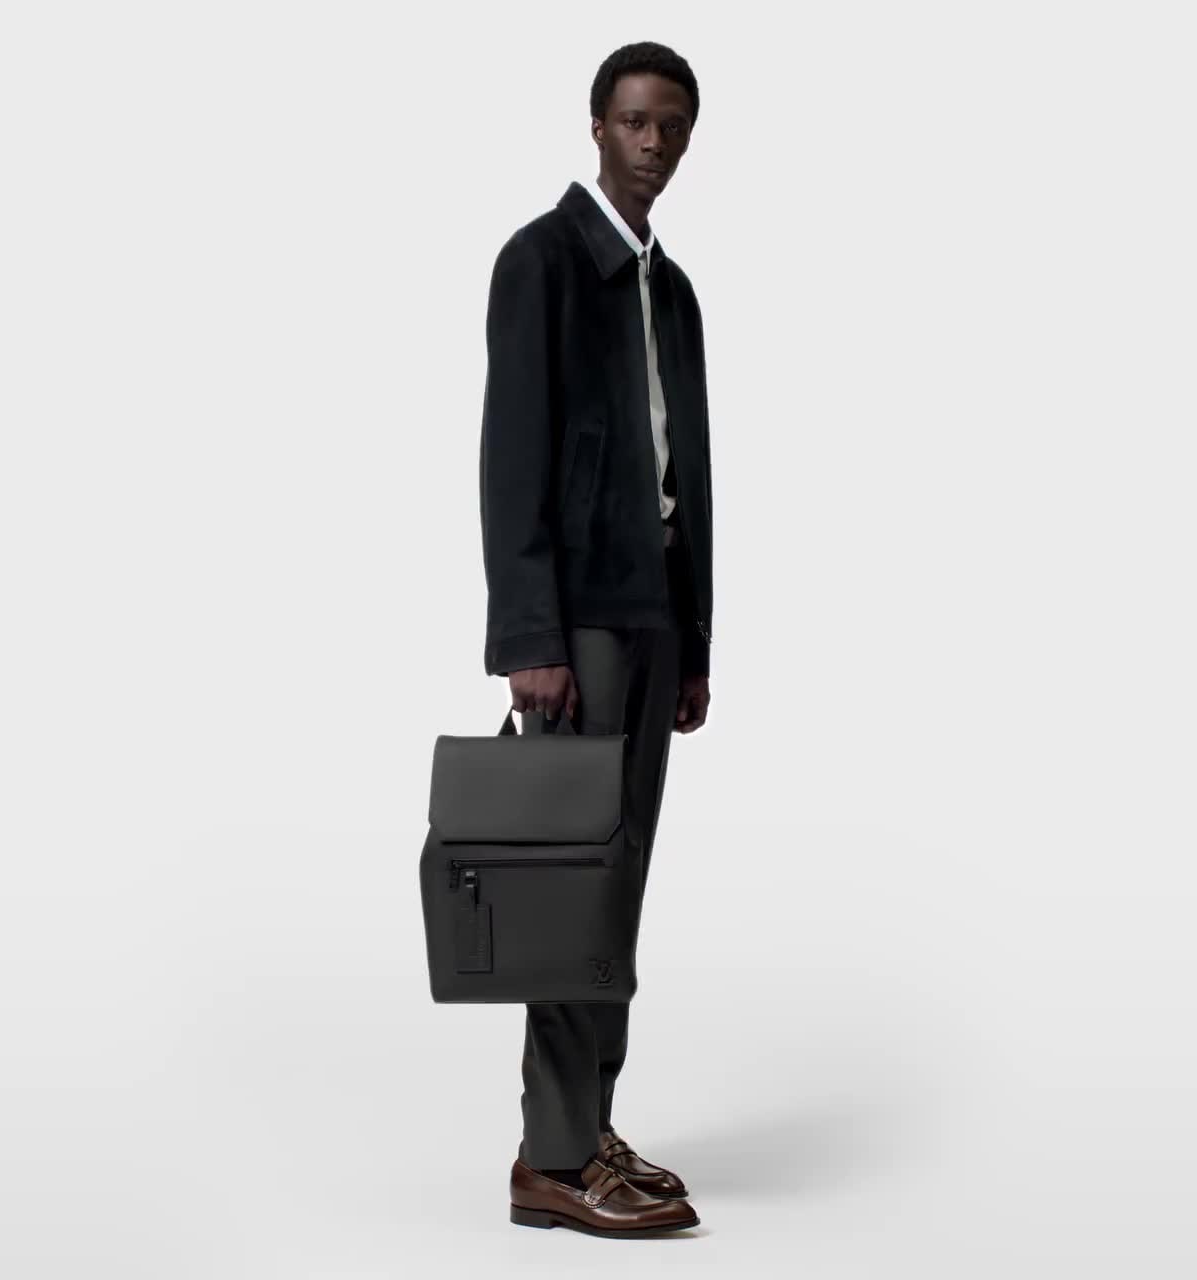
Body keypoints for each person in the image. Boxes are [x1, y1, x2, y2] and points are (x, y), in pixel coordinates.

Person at [478, 41, 714, 1237]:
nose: (652, 142)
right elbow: (510, 455)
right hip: (573, 626)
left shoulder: (672, 291)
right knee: (570, 887)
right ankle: (554, 1155)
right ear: (595, 126)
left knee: (615, 889)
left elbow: (689, 474)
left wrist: (696, 640)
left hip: (652, 617)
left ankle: (589, 1125)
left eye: (671, 123)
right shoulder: (542, 262)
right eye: (633, 120)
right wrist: (530, 632)